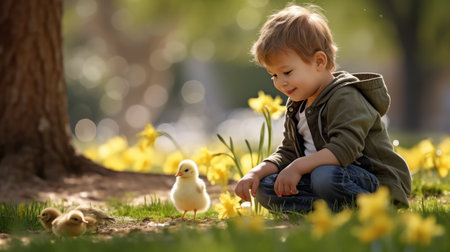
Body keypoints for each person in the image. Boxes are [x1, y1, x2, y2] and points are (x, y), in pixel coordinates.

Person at [234, 4, 411, 212]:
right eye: (273, 75)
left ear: (319, 62)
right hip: (323, 177)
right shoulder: (297, 105)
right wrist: (257, 172)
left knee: (323, 175)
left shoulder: (345, 97)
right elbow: (289, 151)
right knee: (266, 187)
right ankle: (326, 210)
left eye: (287, 72)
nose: (280, 82)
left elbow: (344, 149)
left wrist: (298, 167)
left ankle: (377, 207)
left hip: (372, 181)